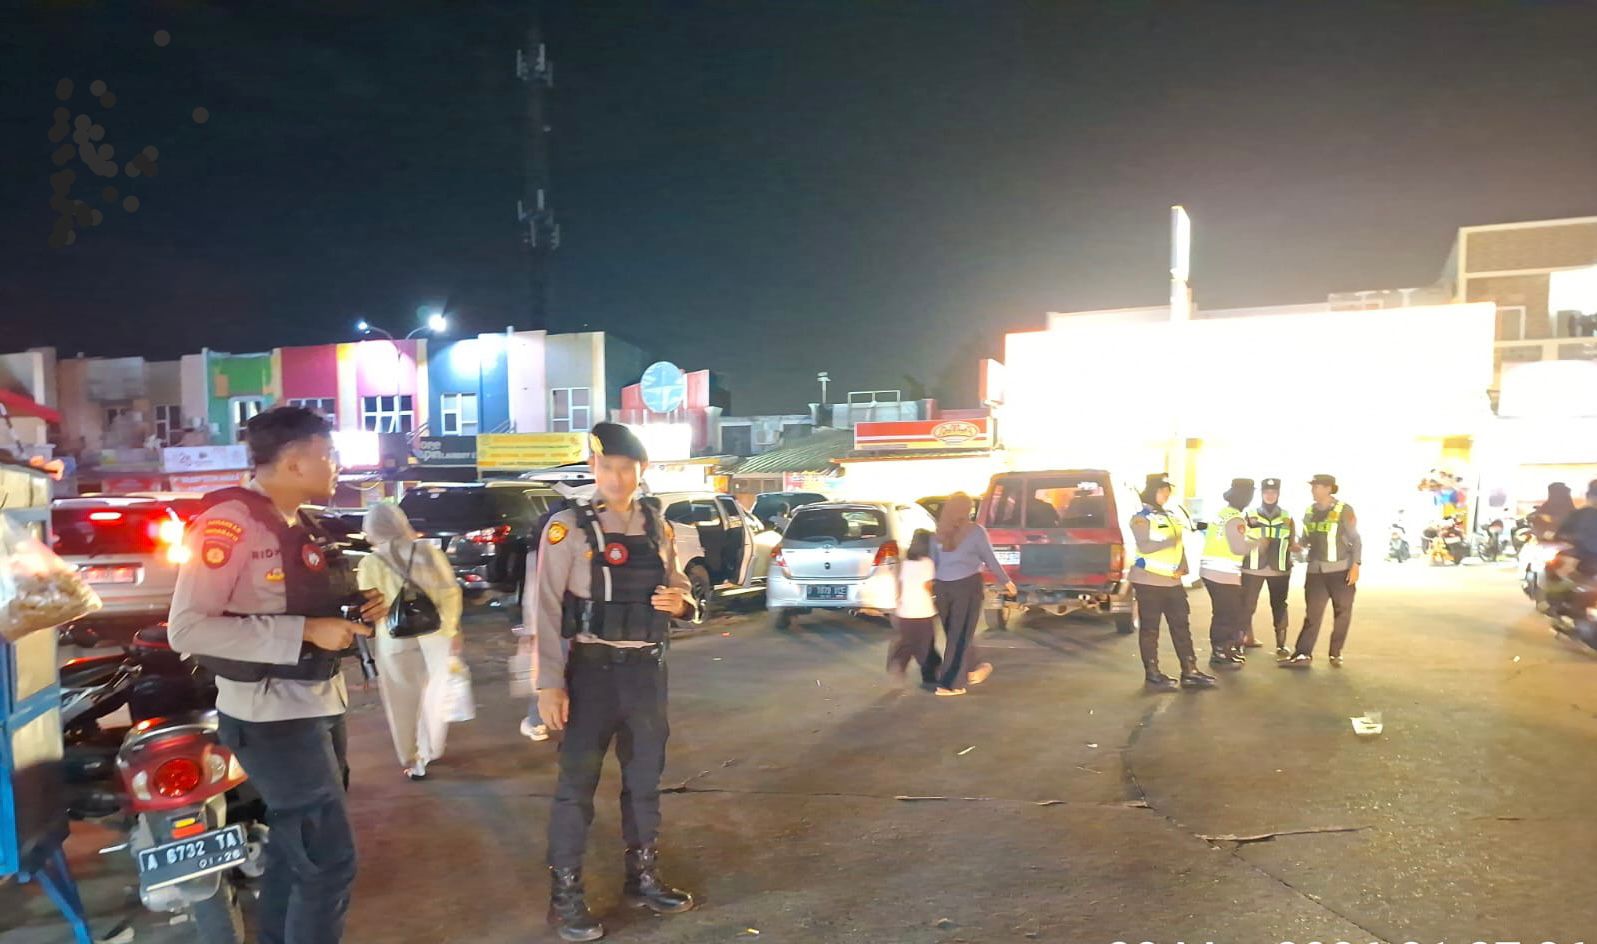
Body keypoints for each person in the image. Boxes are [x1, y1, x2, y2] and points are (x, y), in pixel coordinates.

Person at [168, 406, 388, 944]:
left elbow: (297, 600)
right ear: (293, 463)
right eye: (328, 455)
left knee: (296, 855)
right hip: (270, 715)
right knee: (329, 860)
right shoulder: (229, 525)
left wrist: (354, 607)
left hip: (317, 703)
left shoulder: (298, 522)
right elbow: (187, 628)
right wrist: (306, 631)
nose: (337, 466)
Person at [533, 422, 699, 943]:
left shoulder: (658, 526)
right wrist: (548, 683)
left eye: (627, 468)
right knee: (576, 788)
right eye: (608, 467)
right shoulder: (567, 527)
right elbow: (544, 607)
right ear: (594, 468)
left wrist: (683, 603)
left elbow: (678, 584)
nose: (618, 477)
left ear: (641, 471)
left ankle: (642, 878)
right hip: (591, 673)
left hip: (646, 670)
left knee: (645, 781)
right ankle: (565, 898)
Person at [357, 501, 464, 781]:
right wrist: (452, 628)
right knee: (434, 695)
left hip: (395, 640)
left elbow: (368, 605)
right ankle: (431, 749)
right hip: (436, 635)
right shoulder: (429, 552)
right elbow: (451, 592)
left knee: (402, 701)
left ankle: (413, 759)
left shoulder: (370, 562)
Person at [1129, 473, 1215, 691]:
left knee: (1181, 626)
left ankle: (1190, 671)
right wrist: (1170, 541)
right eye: (1162, 490)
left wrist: (1183, 565)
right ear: (1152, 491)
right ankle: (1153, 674)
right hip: (1148, 581)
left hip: (1172, 582)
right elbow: (1145, 546)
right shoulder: (1141, 518)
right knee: (1150, 629)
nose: (1166, 494)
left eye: (1168, 490)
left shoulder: (1169, 515)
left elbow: (1179, 545)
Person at [929, 492, 1015, 697]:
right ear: (967, 510)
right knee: (960, 636)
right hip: (966, 586)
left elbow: (933, 563)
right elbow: (989, 558)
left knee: (953, 635)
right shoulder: (976, 531)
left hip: (942, 588)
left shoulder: (937, 533)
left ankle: (967, 670)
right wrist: (1006, 581)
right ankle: (951, 684)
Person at [1282, 474, 1361, 669]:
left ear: (1328, 488)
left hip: (1340, 571)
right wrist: (1297, 545)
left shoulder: (1344, 509)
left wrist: (1355, 565)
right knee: (1313, 614)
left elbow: (1355, 539)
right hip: (1315, 571)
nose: (1313, 490)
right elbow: (1306, 539)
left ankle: (1335, 653)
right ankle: (1303, 654)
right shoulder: (1310, 510)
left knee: (1342, 613)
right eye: (1312, 487)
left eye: (1316, 487)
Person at [1200, 477, 1261, 669]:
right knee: (1226, 615)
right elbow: (1238, 548)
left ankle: (1225, 650)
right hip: (1223, 573)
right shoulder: (1235, 519)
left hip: (1212, 570)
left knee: (1225, 613)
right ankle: (1220, 653)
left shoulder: (1222, 514)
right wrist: (1257, 543)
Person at [1241, 477, 1297, 658]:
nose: (1270, 495)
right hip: (1253, 568)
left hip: (1280, 568)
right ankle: (1242, 640)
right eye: (1266, 492)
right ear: (1261, 494)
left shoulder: (1287, 517)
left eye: (1273, 492)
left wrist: (1296, 549)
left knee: (1279, 605)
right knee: (1247, 605)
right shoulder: (1249, 515)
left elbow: (1292, 541)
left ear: (1278, 494)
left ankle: (1281, 645)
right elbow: (1240, 539)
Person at [887, 529, 939, 682]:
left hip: (905, 610)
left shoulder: (904, 563)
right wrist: (936, 600)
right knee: (926, 644)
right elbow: (928, 586)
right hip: (923, 610)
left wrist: (898, 603)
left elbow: (899, 586)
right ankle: (930, 673)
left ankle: (899, 662)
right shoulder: (928, 563)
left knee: (908, 642)